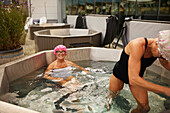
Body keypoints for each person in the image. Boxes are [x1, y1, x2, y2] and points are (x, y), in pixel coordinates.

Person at [106, 30, 170, 112]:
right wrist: (166, 90)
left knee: (144, 108)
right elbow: (133, 79)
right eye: (161, 54)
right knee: (112, 98)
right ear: (157, 43)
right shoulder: (137, 45)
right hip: (120, 74)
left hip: (137, 76)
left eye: (163, 55)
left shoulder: (160, 50)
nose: (160, 57)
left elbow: (165, 64)